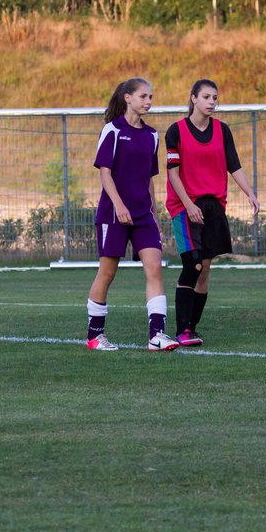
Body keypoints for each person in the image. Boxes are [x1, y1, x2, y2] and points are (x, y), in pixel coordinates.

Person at [165, 79, 261, 346]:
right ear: (193, 98)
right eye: (206, 97)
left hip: (214, 206)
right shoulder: (176, 131)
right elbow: (172, 174)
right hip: (185, 206)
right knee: (193, 264)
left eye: (215, 98)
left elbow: (234, 165)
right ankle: (182, 329)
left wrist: (250, 193)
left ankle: (192, 328)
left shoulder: (222, 130)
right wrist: (188, 205)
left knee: (205, 268)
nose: (211, 102)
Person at [85, 78, 178, 351]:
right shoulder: (112, 130)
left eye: (151, 96)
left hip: (143, 215)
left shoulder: (152, 135)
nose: (148, 101)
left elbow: (150, 178)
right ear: (127, 98)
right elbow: (105, 173)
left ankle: (157, 335)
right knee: (107, 273)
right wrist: (119, 205)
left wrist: (154, 209)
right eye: (143, 96)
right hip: (113, 214)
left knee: (155, 269)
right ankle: (94, 336)